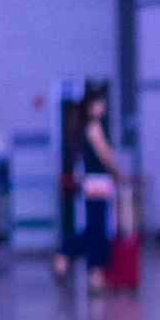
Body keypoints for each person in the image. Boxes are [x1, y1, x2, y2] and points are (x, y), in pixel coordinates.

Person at [56, 82, 124, 293]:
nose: (103, 106)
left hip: (92, 183)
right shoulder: (93, 126)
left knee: (94, 228)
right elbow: (105, 154)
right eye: (100, 102)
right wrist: (117, 170)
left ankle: (64, 257)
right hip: (98, 184)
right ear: (93, 105)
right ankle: (92, 275)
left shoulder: (84, 126)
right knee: (98, 230)